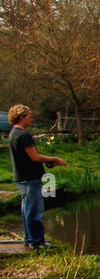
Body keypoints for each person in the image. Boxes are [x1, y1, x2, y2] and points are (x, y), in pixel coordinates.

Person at [7, 105, 67, 249]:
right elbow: (34, 157)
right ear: (22, 117)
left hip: (21, 178)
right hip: (30, 179)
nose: (31, 119)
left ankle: (30, 240)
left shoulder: (13, 134)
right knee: (34, 212)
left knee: (27, 210)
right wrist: (54, 159)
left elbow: (27, 158)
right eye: (29, 116)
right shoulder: (24, 135)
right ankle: (37, 242)